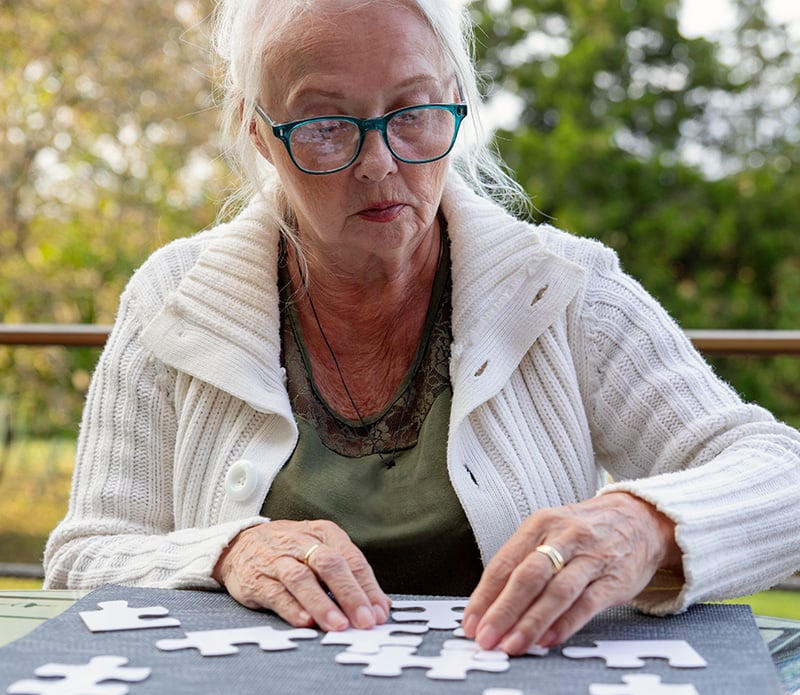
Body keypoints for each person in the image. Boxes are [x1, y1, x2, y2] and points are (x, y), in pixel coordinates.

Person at [44, 0, 800, 656]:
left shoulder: (565, 291)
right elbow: (84, 556)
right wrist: (224, 552)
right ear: (259, 132)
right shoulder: (172, 299)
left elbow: (780, 471)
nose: (380, 163)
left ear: (457, 102)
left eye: (412, 114)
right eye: (327, 126)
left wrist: (642, 526)